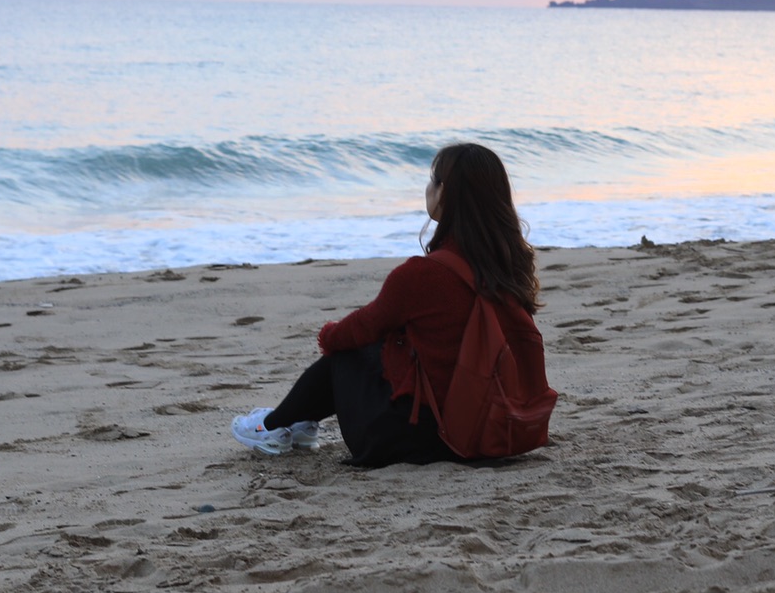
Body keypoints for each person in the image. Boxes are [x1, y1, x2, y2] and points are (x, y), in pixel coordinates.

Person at [230, 141, 546, 467]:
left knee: (348, 355)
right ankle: (297, 424)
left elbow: (354, 331)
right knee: (381, 349)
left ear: (445, 193)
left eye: (433, 180)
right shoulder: (512, 264)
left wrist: (328, 334)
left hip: (428, 439)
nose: (428, 188)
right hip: (494, 424)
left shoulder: (423, 274)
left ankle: (269, 426)